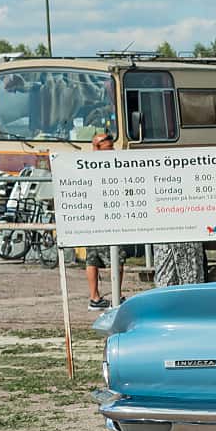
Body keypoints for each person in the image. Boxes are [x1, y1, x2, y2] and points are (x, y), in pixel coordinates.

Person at [81, 129, 119, 309]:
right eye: (108, 147)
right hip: (102, 216)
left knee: (94, 258)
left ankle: (96, 298)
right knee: (113, 257)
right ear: (96, 147)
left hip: (98, 216)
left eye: (112, 147)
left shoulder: (85, 165)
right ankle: (106, 297)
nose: (111, 151)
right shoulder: (99, 166)